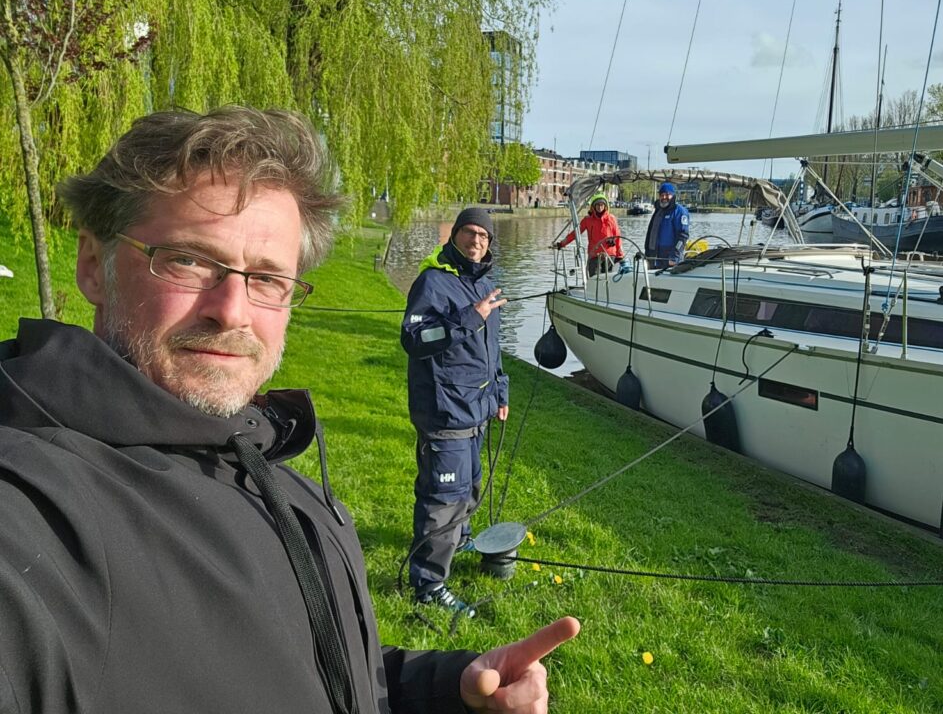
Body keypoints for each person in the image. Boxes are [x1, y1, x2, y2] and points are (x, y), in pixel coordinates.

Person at [0, 107, 579, 714]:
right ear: (93, 265)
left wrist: (447, 687)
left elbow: (315, 669)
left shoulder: (263, 464)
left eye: (269, 279)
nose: (232, 310)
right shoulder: (36, 515)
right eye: (190, 259)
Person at [401, 207, 508, 613]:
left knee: (470, 486)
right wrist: (470, 317)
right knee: (443, 496)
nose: (476, 241)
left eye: (484, 236)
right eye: (470, 232)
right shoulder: (434, 282)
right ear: (455, 235)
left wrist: (501, 391)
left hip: (476, 409)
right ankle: (428, 586)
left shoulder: (485, 284)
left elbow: (491, 350)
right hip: (444, 410)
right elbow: (414, 338)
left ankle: (458, 540)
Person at [554, 193, 624, 276]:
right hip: (594, 254)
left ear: (605, 206)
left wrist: (620, 255)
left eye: (602, 205)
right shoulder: (587, 220)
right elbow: (575, 233)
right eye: (597, 205)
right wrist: (562, 243)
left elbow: (618, 236)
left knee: (608, 279)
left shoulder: (611, 218)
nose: (600, 207)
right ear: (593, 206)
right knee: (593, 279)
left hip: (610, 254)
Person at [644, 181, 690, 268]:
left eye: (667, 194)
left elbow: (683, 236)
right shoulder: (658, 211)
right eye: (662, 195)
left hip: (669, 259)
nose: (664, 197)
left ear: (673, 195)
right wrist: (647, 254)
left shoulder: (679, 211)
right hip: (653, 257)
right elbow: (651, 233)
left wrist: (675, 256)